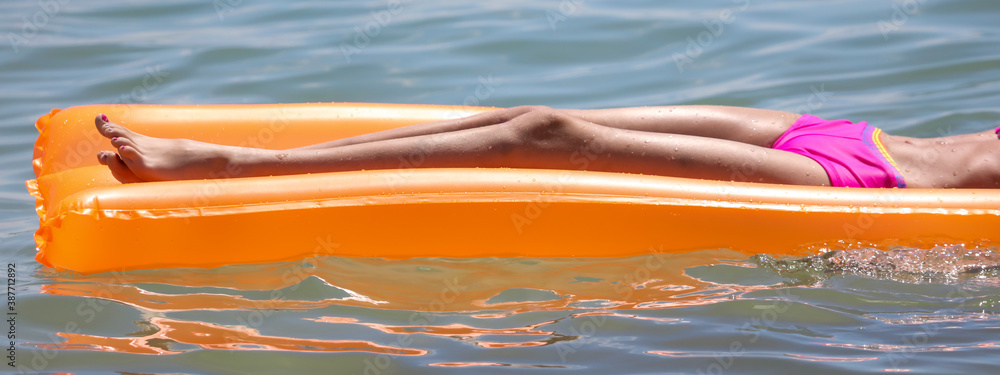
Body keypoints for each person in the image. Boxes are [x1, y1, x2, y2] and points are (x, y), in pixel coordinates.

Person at [93, 105, 1000, 188]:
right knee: (537, 108)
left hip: (860, 177)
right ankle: (243, 155)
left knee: (544, 137)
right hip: (851, 132)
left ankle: (231, 163)